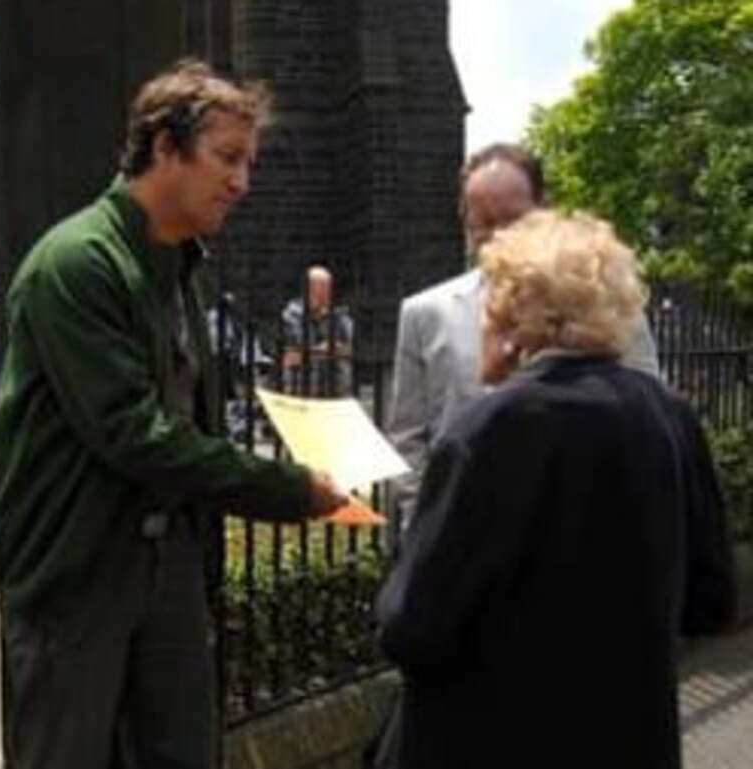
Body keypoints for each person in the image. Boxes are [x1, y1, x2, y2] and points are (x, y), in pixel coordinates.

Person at [0, 59, 347, 769]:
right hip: (74, 569)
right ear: (164, 147)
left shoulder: (179, 264)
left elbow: (192, 419)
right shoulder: (78, 261)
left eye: (250, 162)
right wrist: (290, 489)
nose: (243, 182)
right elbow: (134, 434)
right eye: (228, 158)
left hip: (164, 558)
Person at [376, 210, 737, 769]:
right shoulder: (670, 415)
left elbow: (413, 625)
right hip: (630, 738)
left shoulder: (491, 428)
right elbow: (712, 601)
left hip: (494, 738)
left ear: (516, 315)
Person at [387, 143, 661, 527]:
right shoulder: (425, 313)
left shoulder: (607, 306)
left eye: (512, 221)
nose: (497, 237)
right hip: (467, 533)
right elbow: (408, 439)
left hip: (585, 528)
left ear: (543, 212)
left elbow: (649, 414)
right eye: (482, 223)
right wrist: (426, 522)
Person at [281, 265, 354, 396]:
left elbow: (352, 348)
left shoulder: (339, 316)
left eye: (328, 286)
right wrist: (326, 350)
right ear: (309, 288)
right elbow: (289, 356)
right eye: (323, 286)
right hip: (301, 388)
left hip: (334, 389)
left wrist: (315, 352)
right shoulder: (289, 317)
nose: (328, 291)